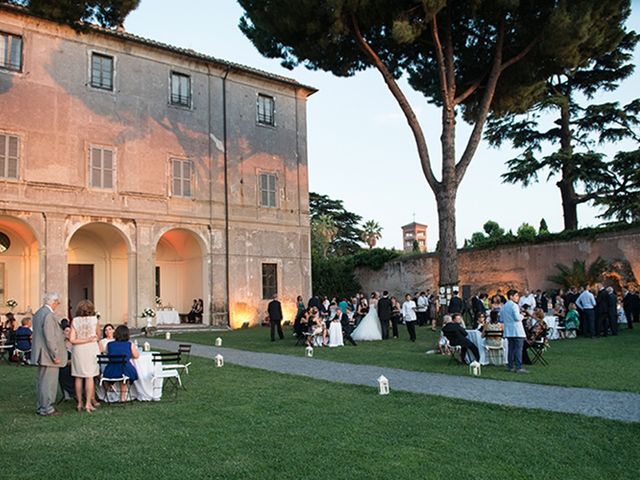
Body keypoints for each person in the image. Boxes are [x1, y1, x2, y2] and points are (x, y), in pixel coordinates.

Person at [32, 292, 66, 416]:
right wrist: (55, 355)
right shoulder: (48, 315)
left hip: (41, 353)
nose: (57, 305)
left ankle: (42, 406)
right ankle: (47, 408)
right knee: (48, 382)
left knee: (42, 381)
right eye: (57, 303)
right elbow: (50, 337)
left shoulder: (38, 313)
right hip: (48, 355)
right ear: (54, 302)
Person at [70, 300, 101, 412]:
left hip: (78, 349)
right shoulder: (94, 320)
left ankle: (79, 403)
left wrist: (83, 339)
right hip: (91, 348)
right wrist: (89, 339)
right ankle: (88, 403)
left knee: (78, 376)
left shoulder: (75, 321)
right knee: (90, 376)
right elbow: (98, 335)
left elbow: (72, 339)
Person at [104, 325, 140, 402]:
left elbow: (108, 354)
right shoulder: (129, 344)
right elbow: (136, 356)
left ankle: (110, 394)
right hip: (124, 370)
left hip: (110, 370)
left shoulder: (110, 344)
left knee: (121, 371)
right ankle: (122, 397)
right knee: (124, 374)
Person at [502, 289, 528, 373]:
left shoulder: (505, 306)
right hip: (517, 330)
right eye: (516, 296)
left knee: (511, 349)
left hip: (509, 330)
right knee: (518, 349)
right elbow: (517, 318)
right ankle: (518, 367)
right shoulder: (514, 305)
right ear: (511, 296)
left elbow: (502, 317)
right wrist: (522, 316)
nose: (518, 297)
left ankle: (510, 366)